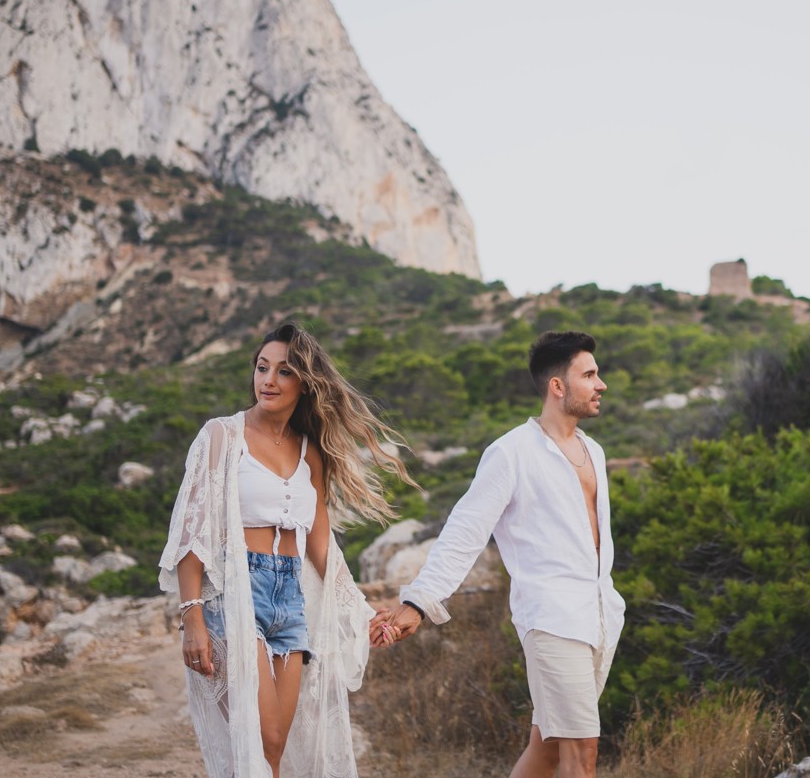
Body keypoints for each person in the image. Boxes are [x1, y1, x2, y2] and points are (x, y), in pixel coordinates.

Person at [160, 321, 411, 778]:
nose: (268, 380)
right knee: (262, 736)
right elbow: (192, 532)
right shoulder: (221, 437)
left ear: (305, 384)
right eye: (262, 368)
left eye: (283, 371)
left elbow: (319, 540)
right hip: (235, 594)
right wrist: (191, 615)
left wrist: (358, 605)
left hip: (289, 597)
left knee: (276, 747)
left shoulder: (308, 451)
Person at [373, 330, 625, 778]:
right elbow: (464, 531)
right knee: (581, 751)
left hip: (600, 616)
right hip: (552, 620)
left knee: (547, 747)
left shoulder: (596, 452)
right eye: (589, 374)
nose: (600, 384)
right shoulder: (510, 453)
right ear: (557, 386)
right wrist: (418, 602)